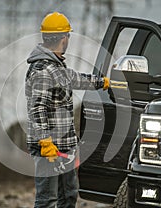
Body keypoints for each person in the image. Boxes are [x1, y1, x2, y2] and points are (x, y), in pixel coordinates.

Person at [25, 12, 110, 208]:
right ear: (64, 38)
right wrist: (45, 141)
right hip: (49, 148)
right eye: (68, 36)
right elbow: (37, 108)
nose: (68, 39)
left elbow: (76, 78)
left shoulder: (56, 67)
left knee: (68, 196)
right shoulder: (42, 70)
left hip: (65, 146)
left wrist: (102, 82)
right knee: (47, 200)